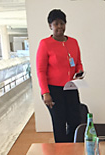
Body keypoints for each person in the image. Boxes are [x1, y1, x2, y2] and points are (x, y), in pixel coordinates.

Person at [36, 9, 84, 143]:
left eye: (62, 23)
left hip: (71, 87)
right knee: (59, 123)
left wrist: (80, 71)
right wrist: (45, 92)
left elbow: (78, 63)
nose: (59, 27)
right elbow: (40, 70)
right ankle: (61, 154)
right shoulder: (45, 44)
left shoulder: (73, 42)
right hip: (53, 90)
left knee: (75, 121)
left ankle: (71, 148)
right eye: (56, 24)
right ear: (50, 26)